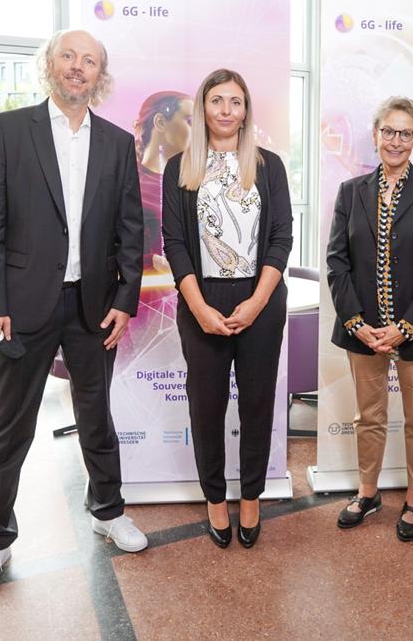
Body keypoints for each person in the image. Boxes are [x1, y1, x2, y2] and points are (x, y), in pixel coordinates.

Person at [0, 29, 147, 600]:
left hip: (92, 305)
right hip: (22, 306)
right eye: (68, 56)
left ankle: (108, 511)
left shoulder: (118, 144)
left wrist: (124, 300)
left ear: (100, 75)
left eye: (89, 60)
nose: (77, 67)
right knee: (8, 427)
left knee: (97, 415)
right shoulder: (9, 130)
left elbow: (130, 233)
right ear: (50, 66)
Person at [162, 68, 292, 549]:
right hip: (202, 301)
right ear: (204, 108)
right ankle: (216, 500)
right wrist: (197, 307)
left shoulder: (269, 166)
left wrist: (259, 301)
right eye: (217, 101)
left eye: (235, 102)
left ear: (245, 110)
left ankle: (252, 497)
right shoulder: (182, 167)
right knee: (207, 406)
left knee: (257, 404)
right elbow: (174, 243)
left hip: (260, 298)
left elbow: (281, 238)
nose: (225, 110)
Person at [327, 96, 413, 541]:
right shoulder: (351, 192)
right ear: (376, 134)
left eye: (405, 133)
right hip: (363, 331)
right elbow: (336, 262)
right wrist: (355, 321)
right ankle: (368, 493)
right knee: (369, 417)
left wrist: (406, 327)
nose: (395, 140)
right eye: (388, 131)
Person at [132, 91, 193, 272]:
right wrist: (151, 261)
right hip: (144, 295)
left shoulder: (195, 183)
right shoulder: (128, 182)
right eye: (190, 122)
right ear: (160, 122)